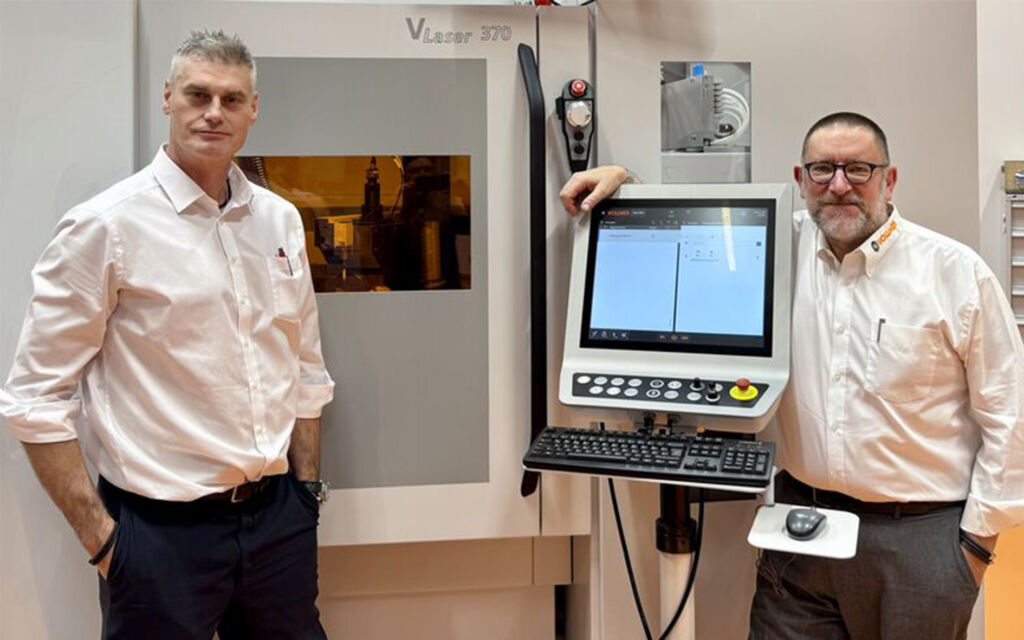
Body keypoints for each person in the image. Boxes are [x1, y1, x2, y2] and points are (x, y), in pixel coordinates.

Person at [560, 112, 1024, 640]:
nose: (840, 185)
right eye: (823, 170)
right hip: (800, 526)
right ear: (802, 180)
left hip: (918, 541)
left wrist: (973, 547)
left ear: (889, 180)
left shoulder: (954, 273)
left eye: (859, 169)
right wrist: (624, 178)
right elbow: (691, 222)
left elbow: (1010, 417)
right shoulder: (776, 246)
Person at [0, 30, 334, 639]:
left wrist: (306, 492)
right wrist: (104, 542)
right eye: (197, 95)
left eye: (232, 99)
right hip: (158, 537)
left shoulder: (280, 220)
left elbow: (305, 367)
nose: (214, 113)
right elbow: (33, 399)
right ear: (168, 99)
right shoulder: (106, 227)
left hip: (277, 523)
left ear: (254, 109)